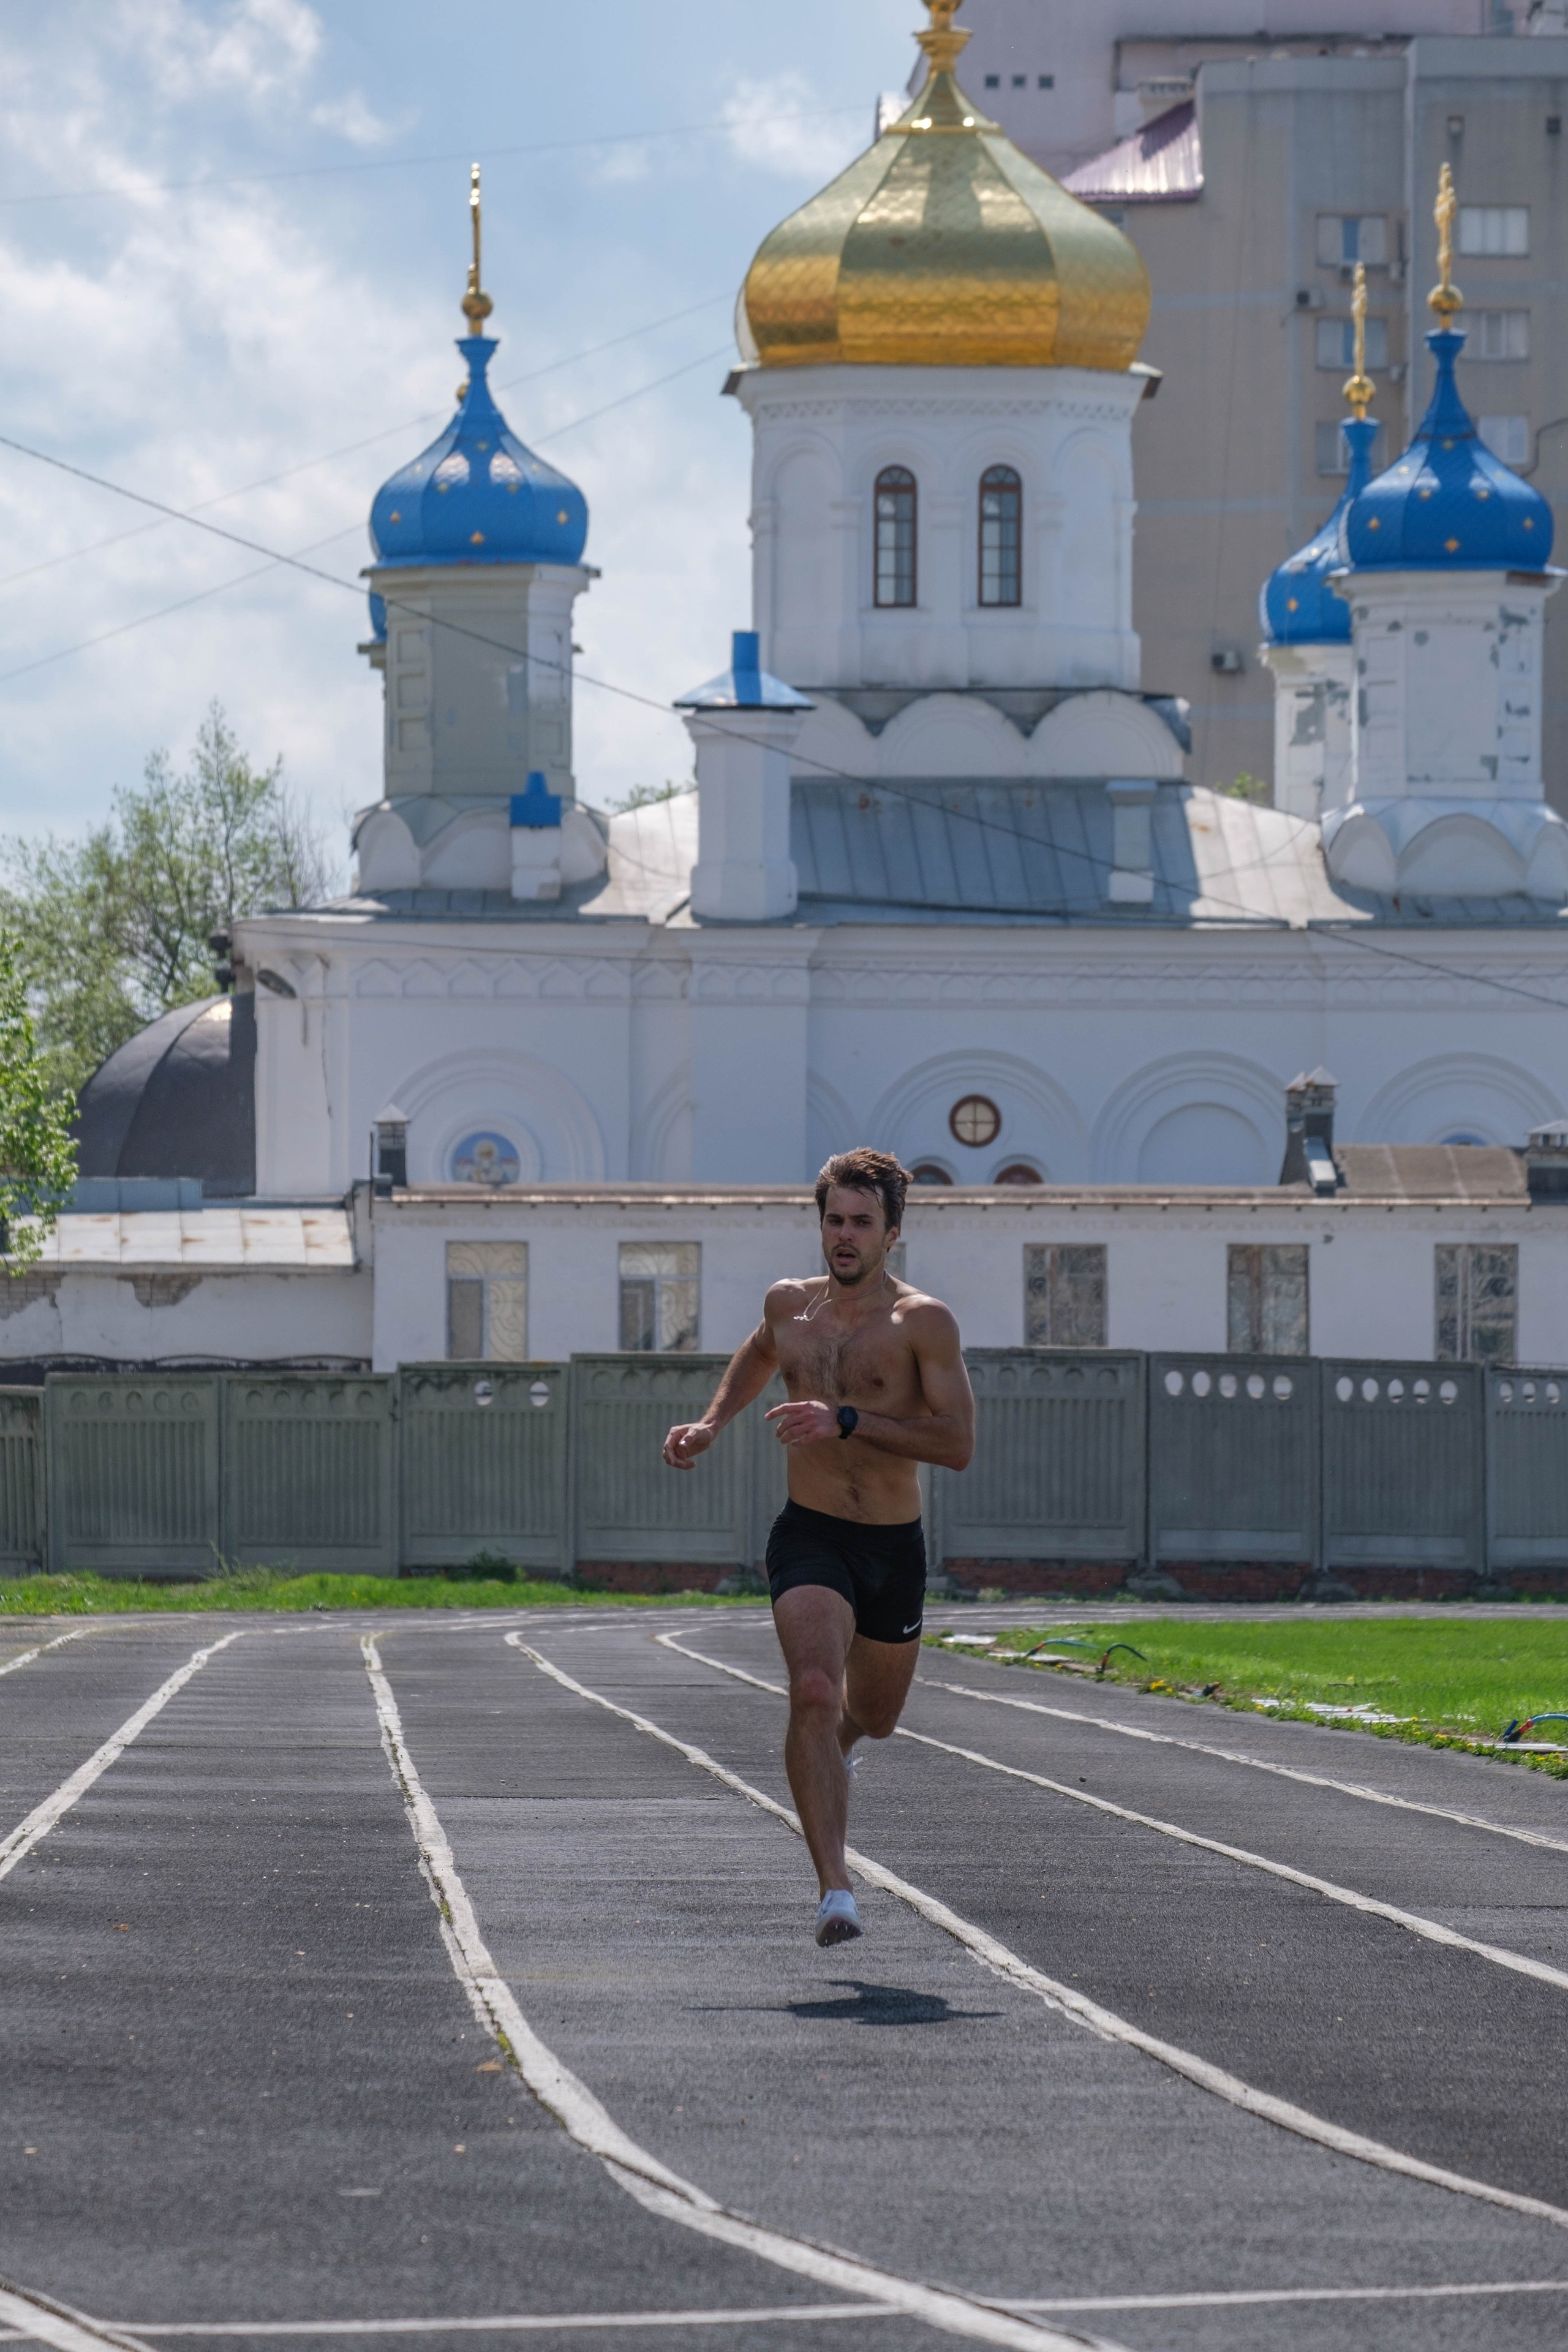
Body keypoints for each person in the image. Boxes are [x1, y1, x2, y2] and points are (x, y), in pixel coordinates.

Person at [662, 1148, 974, 1947]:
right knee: (810, 1689)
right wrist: (712, 1422)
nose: (844, 1236)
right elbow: (761, 1353)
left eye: (861, 1223)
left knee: (872, 1715)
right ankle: (836, 1890)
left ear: (891, 1234)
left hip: (892, 1548)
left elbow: (957, 1442)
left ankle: (831, 1757)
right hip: (811, 1533)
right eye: (834, 1219)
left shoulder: (922, 1323)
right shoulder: (788, 1306)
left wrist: (846, 1419)